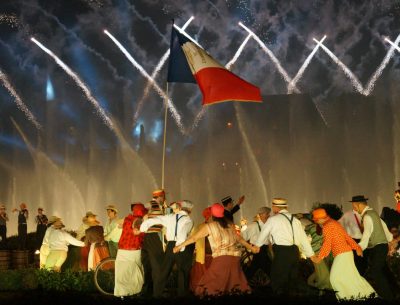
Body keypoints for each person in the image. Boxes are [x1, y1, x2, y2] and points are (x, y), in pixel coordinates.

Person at [173, 203, 257, 297]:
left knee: (207, 285)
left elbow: (193, 238)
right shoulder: (230, 226)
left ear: (212, 215)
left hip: (222, 259)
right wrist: (252, 248)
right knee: (234, 284)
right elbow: (240, 239)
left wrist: (179, 246)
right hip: (235, 259)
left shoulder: (209, 226)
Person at [311, 208, 375, 300]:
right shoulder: (334, 223)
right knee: (352, 278)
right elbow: (347, 237)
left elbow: (327, 244)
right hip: (346, 253)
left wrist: (319, 257)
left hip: (342, 254)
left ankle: (345, 298)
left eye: (316, 220)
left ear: (319, 219)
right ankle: (366, 297)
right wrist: (357, 247)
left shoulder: (327, 226)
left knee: (335, 278)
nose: (317, 223)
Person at [254, 198, 314, 295]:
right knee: (293, 280)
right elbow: (303, 238)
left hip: (281, 252)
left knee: (278, 280)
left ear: (274, 208)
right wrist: (311, 254)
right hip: (294, 252)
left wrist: (257, 246)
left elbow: (263, 234)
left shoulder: (273, 220)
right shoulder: (295, 220)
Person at [140, 200, 194, 297]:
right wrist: (179, 246)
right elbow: (183, 232)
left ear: (180, 208)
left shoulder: (170, 217)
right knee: (183, 272)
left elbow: (157, 219)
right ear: (190, 210)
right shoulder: (188, 220)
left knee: (164, 271)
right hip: (182, 246)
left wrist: (144, 226)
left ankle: (157, 295)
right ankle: (182, 297)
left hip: (170, 246)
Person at [351, 195, 394, 301]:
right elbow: (383, 227)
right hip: (381, 246)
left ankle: (388, 298)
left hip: (378, 247)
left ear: (359, 205)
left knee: (376, 271)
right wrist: (390, 239)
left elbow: (366, 234)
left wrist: (360, 247)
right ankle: (393, 291)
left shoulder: (367, 216)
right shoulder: (373, 213)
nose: (354, 209)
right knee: (382, 271)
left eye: (354, 206)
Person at [114, 203, 147, 297]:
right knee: (134, 272)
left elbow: (117, 222)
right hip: (134, 250)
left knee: (121, 273)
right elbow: (137, 233)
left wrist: (123, 225)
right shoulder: (141, 222)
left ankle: (121, 294)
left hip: (122, 250)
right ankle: (134, 292)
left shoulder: (127, 219)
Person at [141, 189, 166, 296]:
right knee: (157, 265)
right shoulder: (154, 204)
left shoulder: (154, 205)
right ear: (160, 197)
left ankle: (147, 290)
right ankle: (157, 293)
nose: (164, 199)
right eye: (163, 197)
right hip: (153, 237)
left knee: (148, 266)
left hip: (147, 237)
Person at [241, 206, 272, 284]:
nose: (269, 216)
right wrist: (249, 247)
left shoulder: (269, 224)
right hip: (258, 249)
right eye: (267, 214)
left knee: (255, 267)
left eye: (268, 214)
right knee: (265, 267)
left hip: (265, 249)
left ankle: (244, 282)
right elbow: (243, 237)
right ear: (261, 215)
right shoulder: (253, 226)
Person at [189, 207, 213, 292]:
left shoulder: (216, 226)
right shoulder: (200, 227)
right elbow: (192, 239)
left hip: (214, 257)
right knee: (200, 277)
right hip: (202, 257)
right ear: (209, 216)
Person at [338, 204, 366, 274]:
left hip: (365, 240)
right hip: (354, 240)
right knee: (357, 260)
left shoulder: (365, 213)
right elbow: (339, 224)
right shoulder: (348, 215)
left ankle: (362, 274)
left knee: (364, 260)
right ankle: (359, 275)